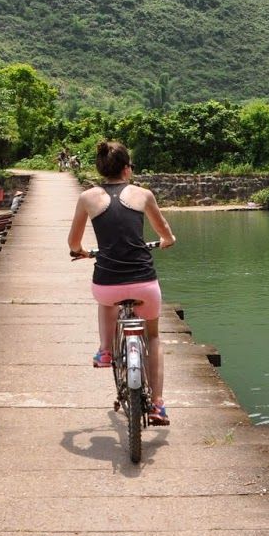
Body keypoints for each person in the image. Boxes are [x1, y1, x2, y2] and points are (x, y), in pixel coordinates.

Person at [67, 139, 176, 426]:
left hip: (107, 282)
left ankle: (105, 350)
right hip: (144, 283)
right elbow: (164, 230)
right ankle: (158, 406)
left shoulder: (88, 198)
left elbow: (73, 242)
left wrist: (80, 251)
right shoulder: (144, 195)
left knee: (106, 303)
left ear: (101, 169)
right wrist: (167, 240)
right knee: (152, 336)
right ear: (127, 169)